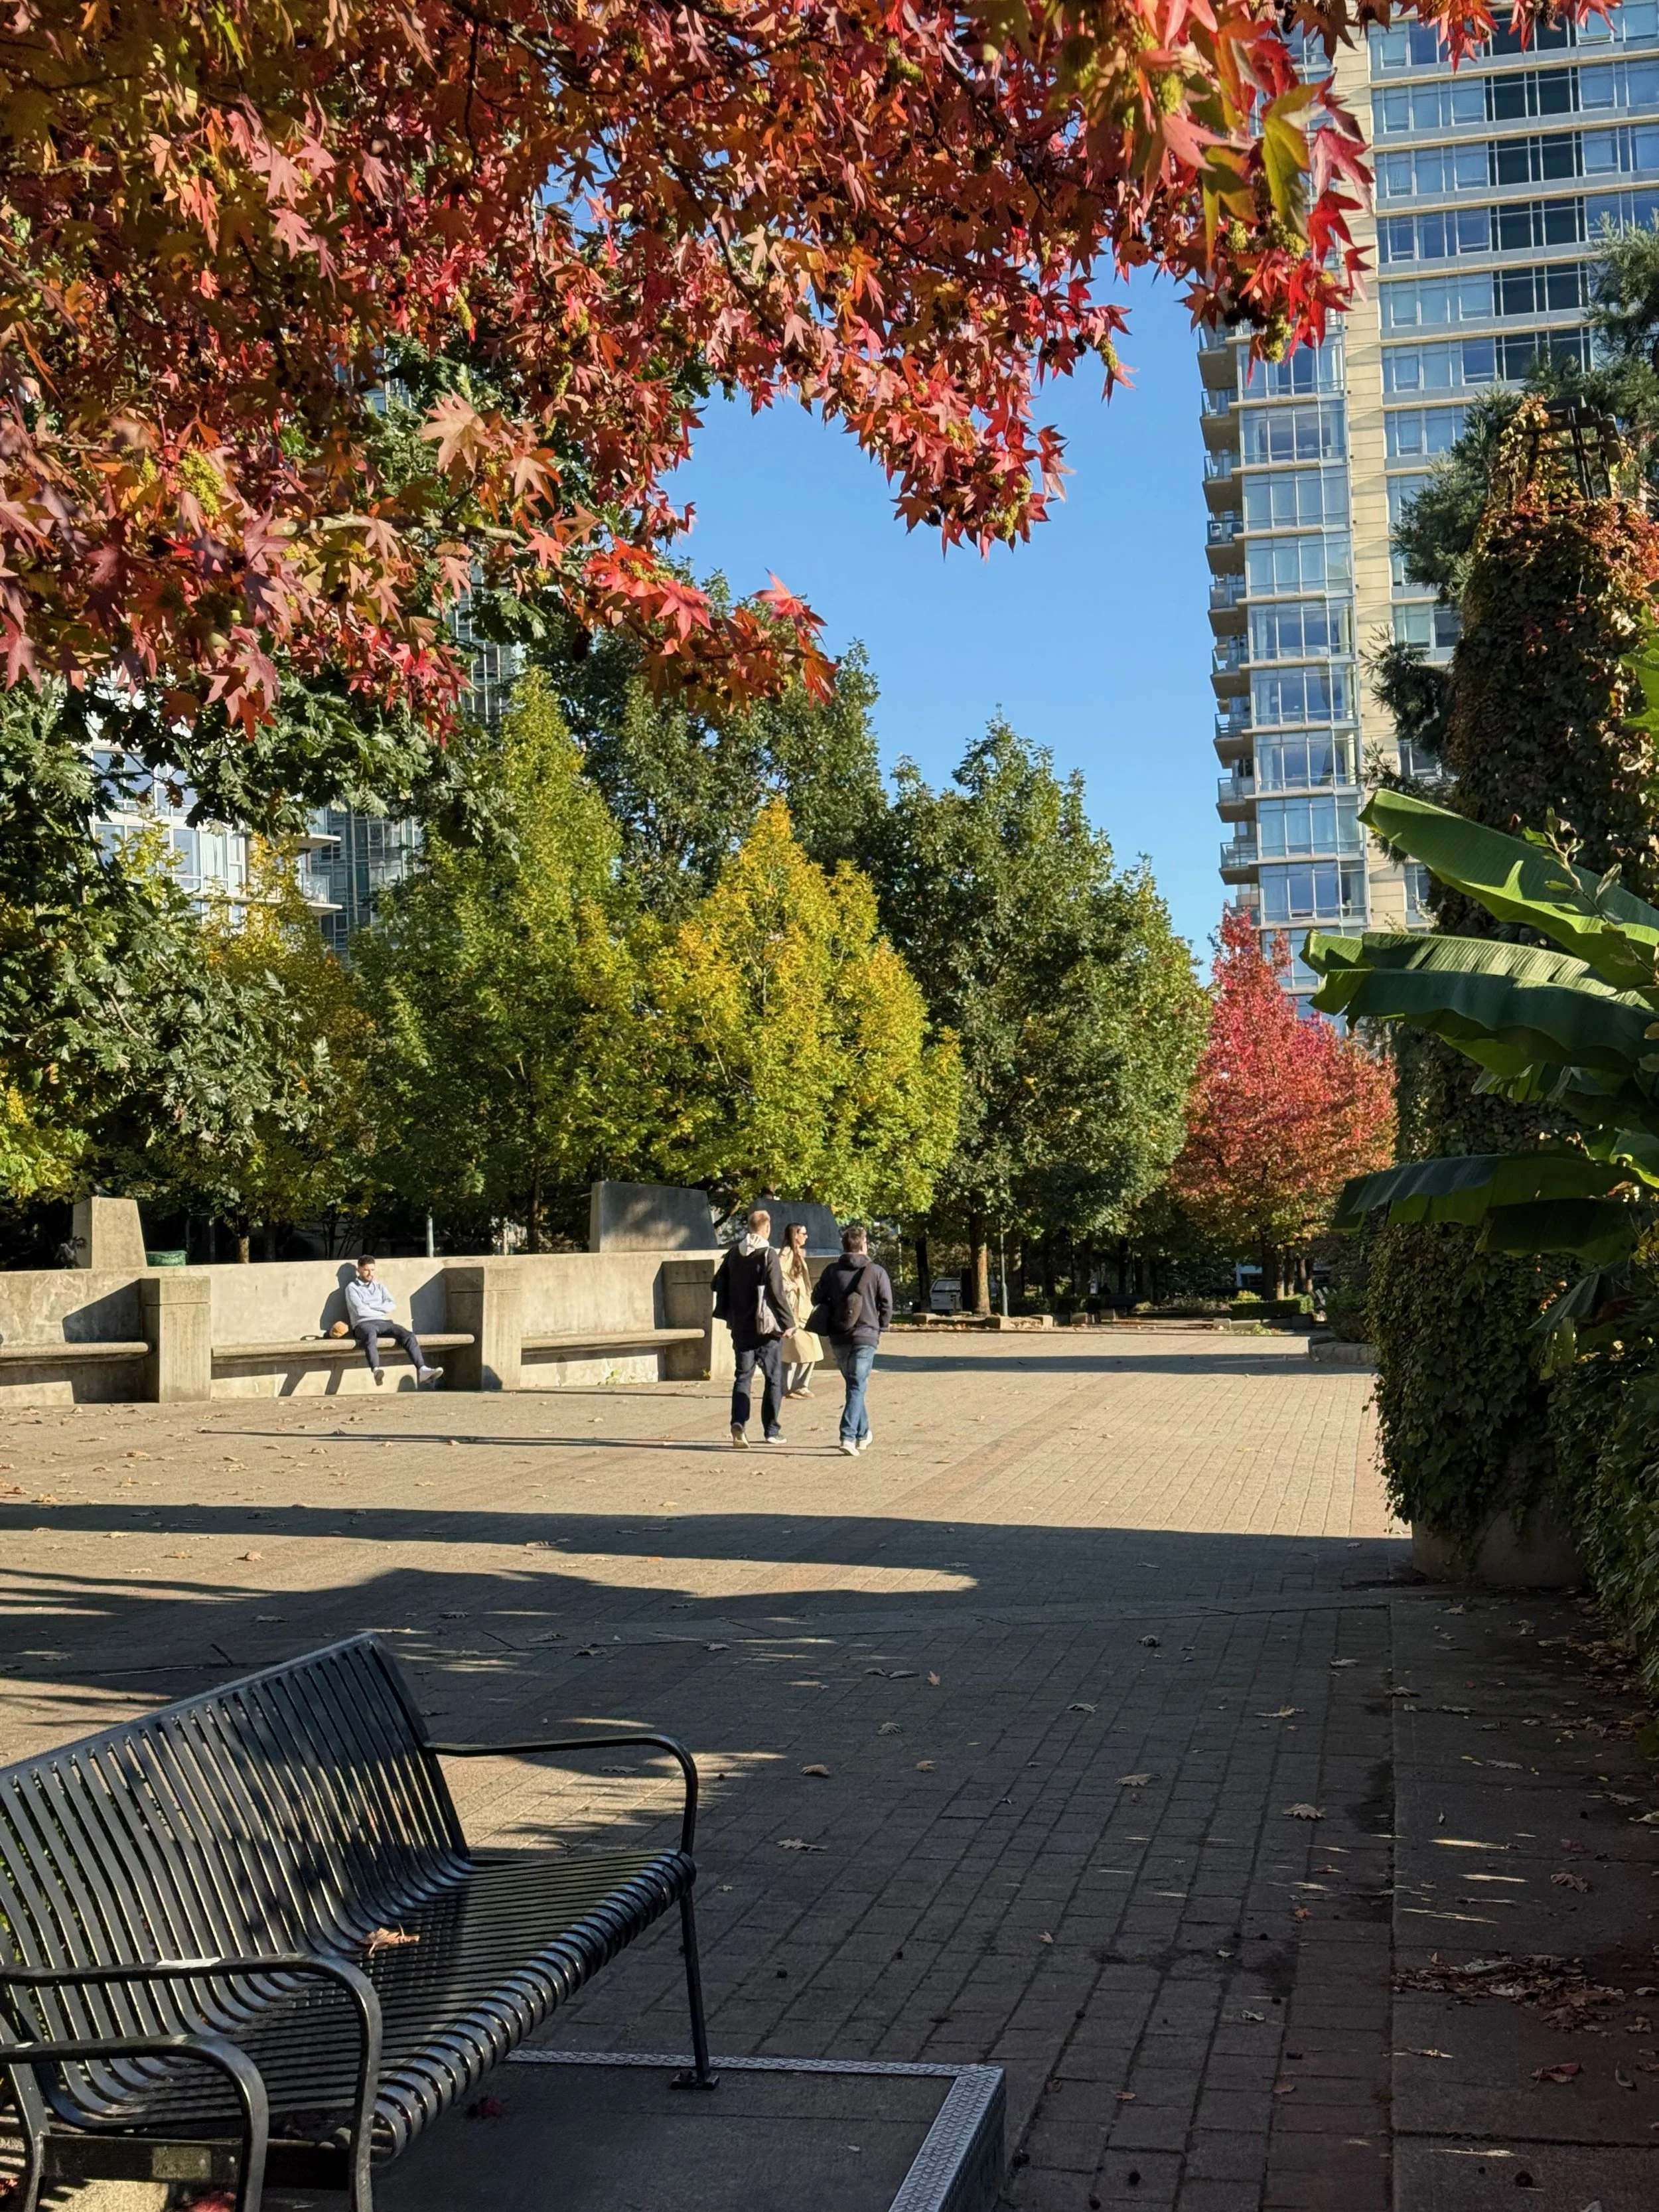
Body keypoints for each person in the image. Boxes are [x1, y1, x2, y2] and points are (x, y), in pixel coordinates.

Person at [711, 1207, 796, 1447]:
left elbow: (716, 1283)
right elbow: (777, 1292)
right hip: (766, 1329)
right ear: (767, 1228)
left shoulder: (733, 1254)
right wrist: (789, 1323)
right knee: (773, 1379)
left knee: (743, 1377)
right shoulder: (768, 1254)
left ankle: (739, 1423)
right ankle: (771, 1429)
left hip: (740, 1327)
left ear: (749, 1228)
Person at [810, 1222, 893, 1457]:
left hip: (839, 1336)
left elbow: (816, 1297)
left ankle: (863, 1433)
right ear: (863, 1245)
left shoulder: (831, 1271)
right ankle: (848, 1436)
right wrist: (882, 1326)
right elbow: (886, 1303)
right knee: (857, 1386)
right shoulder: (876, 1272)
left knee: (855, 1386)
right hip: (866, 1335)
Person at [344, 1256, 443, 1388]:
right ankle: (376, 1370)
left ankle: (422, 1370)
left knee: (408, 1335)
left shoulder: (379, 1286)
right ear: (359, 1270)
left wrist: (371, 1307)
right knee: (370, 1336)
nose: (370, 1273)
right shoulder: (351, 1288)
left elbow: (391, 1305)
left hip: (384, 1322)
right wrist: (379, 1308)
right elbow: (360, 1311)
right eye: (366, 1270)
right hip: (363, 1324)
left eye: (373, 1270)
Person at [778, 1222, 821, 1399]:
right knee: (793, 1350)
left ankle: (797, 1386)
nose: (806, 1236)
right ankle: (790, 1387)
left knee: (809, 1348)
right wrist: (791, 1286)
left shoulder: (797, 1253)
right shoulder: (787, 1253)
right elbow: (777, 1275)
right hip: (795, 1310)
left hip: (804, 1309)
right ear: (795, 1234)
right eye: (803, 1233)